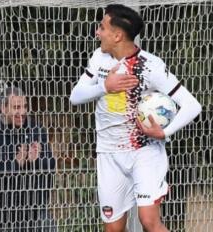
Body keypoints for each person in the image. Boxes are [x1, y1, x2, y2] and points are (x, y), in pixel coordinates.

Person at [70, 4, 202, 232]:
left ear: (117, 35)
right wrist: (105, 86)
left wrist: (164, 132)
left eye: (102, 27)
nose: (97, 32)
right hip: (109, 153)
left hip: (145, 151)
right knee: (113, 229)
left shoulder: (151, 66)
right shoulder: (99, 58)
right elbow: (75, 96)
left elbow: (192, 105)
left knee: (149, 221)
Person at [0, 87, 56, 232]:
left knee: (48, 225)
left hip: (31, 208)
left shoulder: (34, 128)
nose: (23, 112)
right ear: (3, 108)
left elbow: (51, 164)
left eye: (25, 106)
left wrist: (37, 160)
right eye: (16, 107)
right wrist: (14, 164)